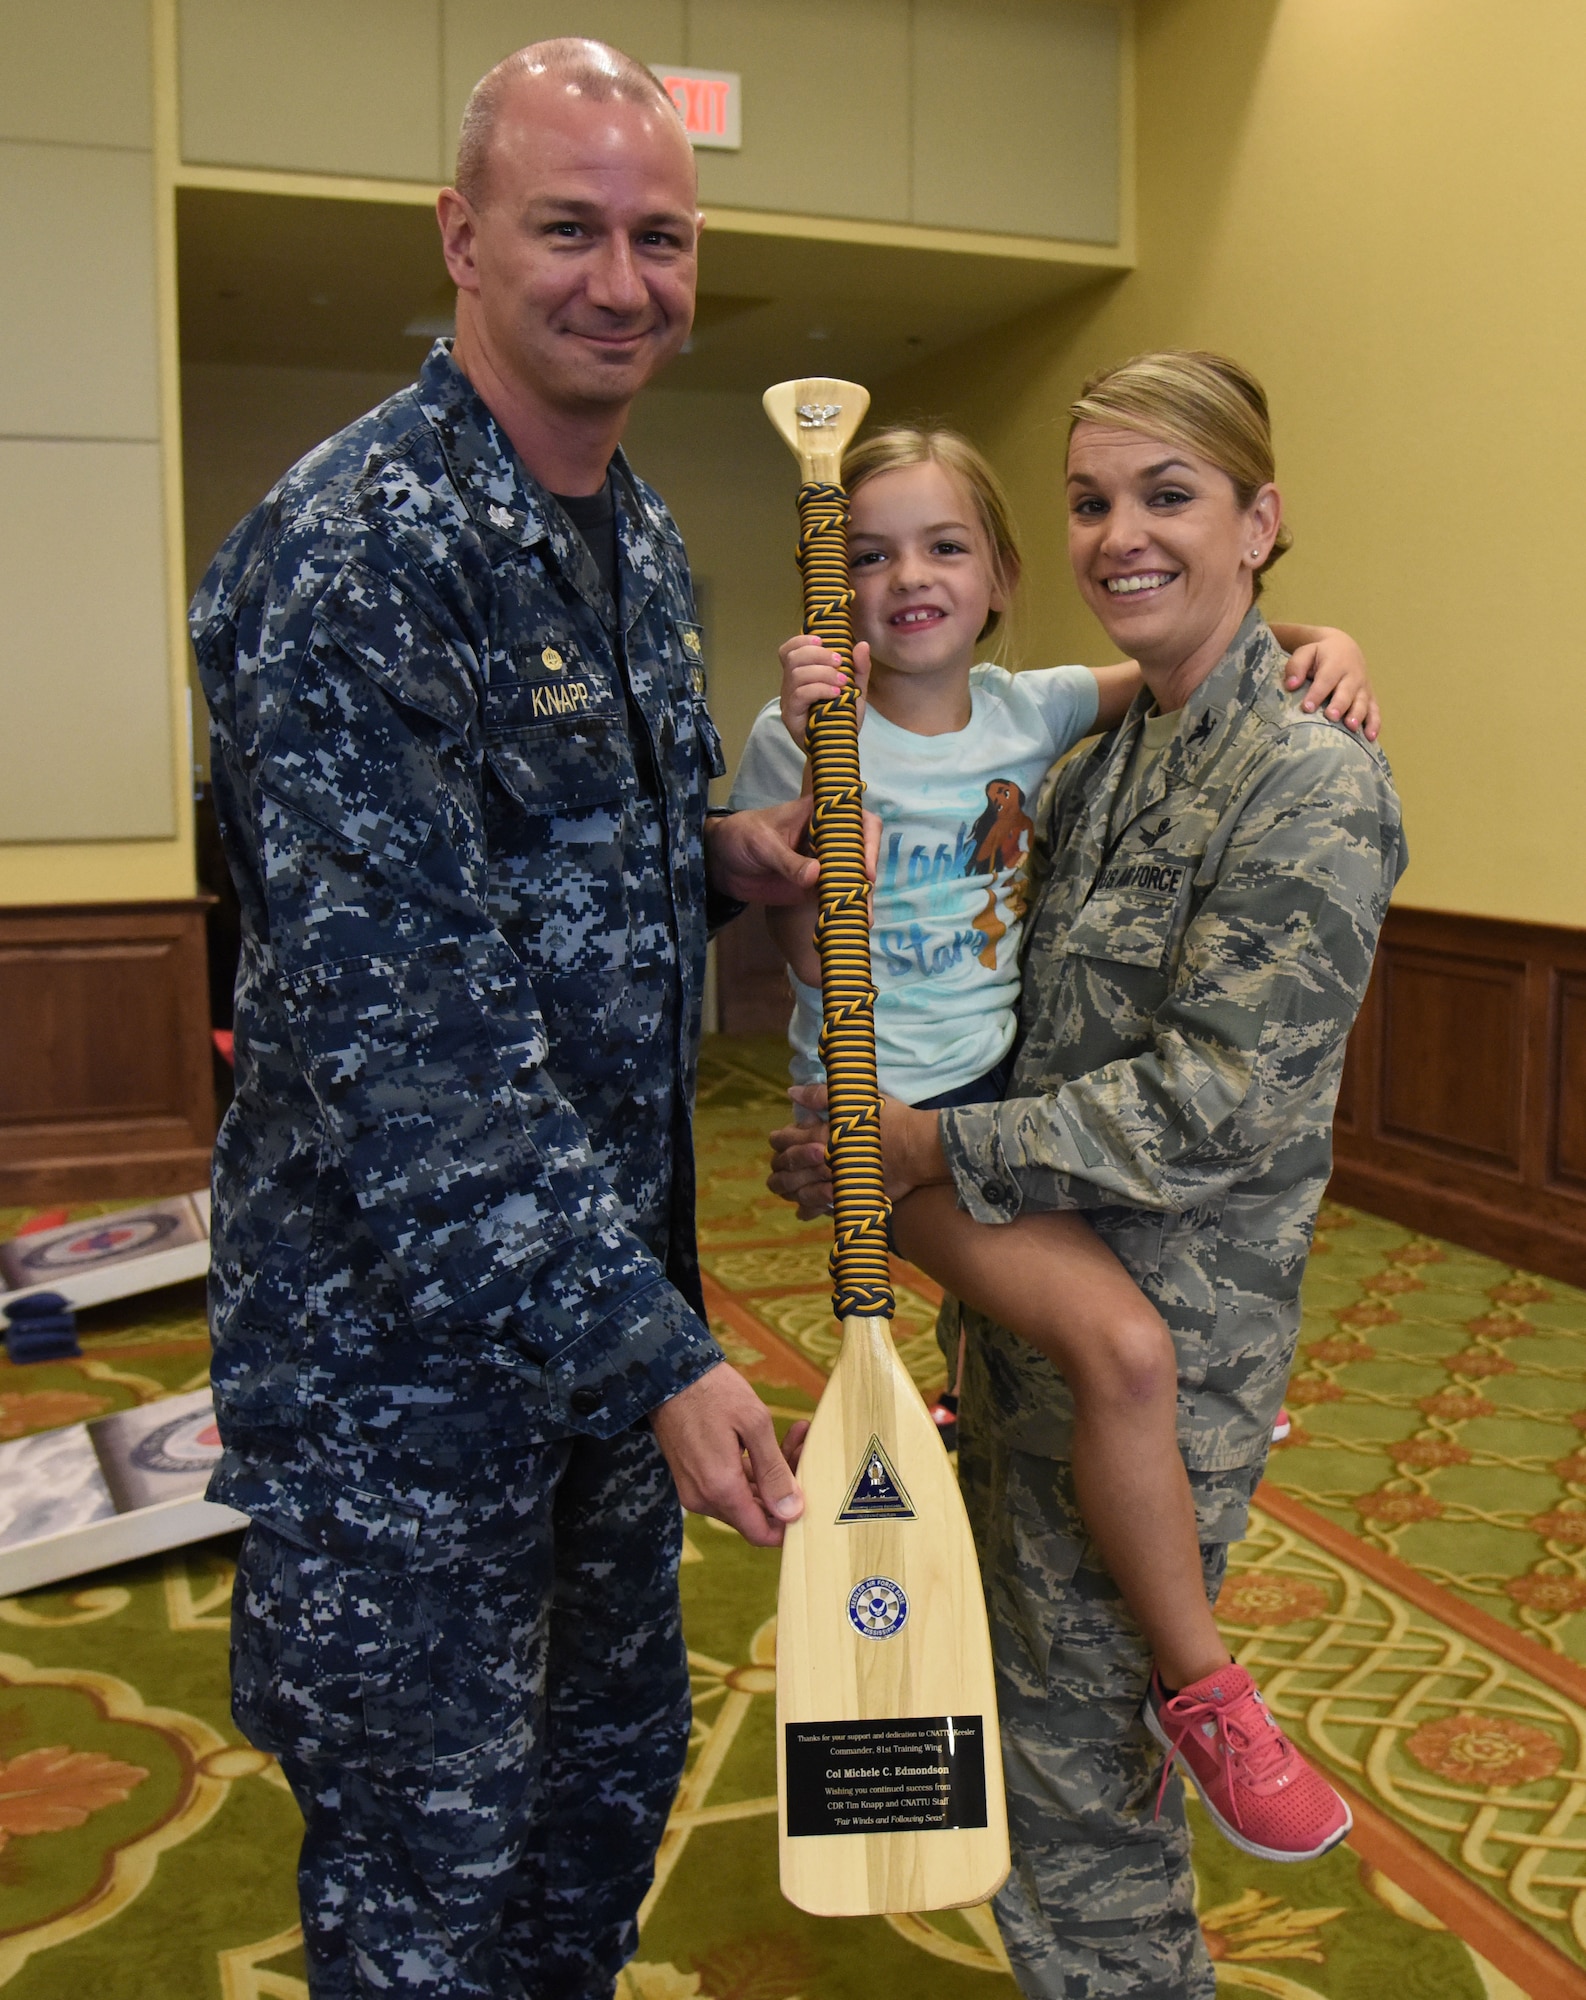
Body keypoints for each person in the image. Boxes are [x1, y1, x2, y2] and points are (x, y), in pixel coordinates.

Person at [191, 39, 829, 2000]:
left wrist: (715, 858)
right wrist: (660, 1349)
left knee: (595, 1819)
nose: (620, 279)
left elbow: (545, 877)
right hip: (398, 1377)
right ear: (461, 237)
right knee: (422, 1883)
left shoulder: (634, 547)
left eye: (660, 234)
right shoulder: (359, 552)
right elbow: (411, 1046)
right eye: (569, 227)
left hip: (593, 1352)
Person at [769, 352, 1406, 1997]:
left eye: (1169, 496)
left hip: (1162, 1355)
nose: (1122, 533)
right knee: (1035, 1732)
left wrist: (920, 1149)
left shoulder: (1307, 780)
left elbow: (1212, 1107)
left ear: (1260, 522)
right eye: (1093, 500)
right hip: (1019, 1324)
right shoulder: (1090, 756)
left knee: (1083, 1755)